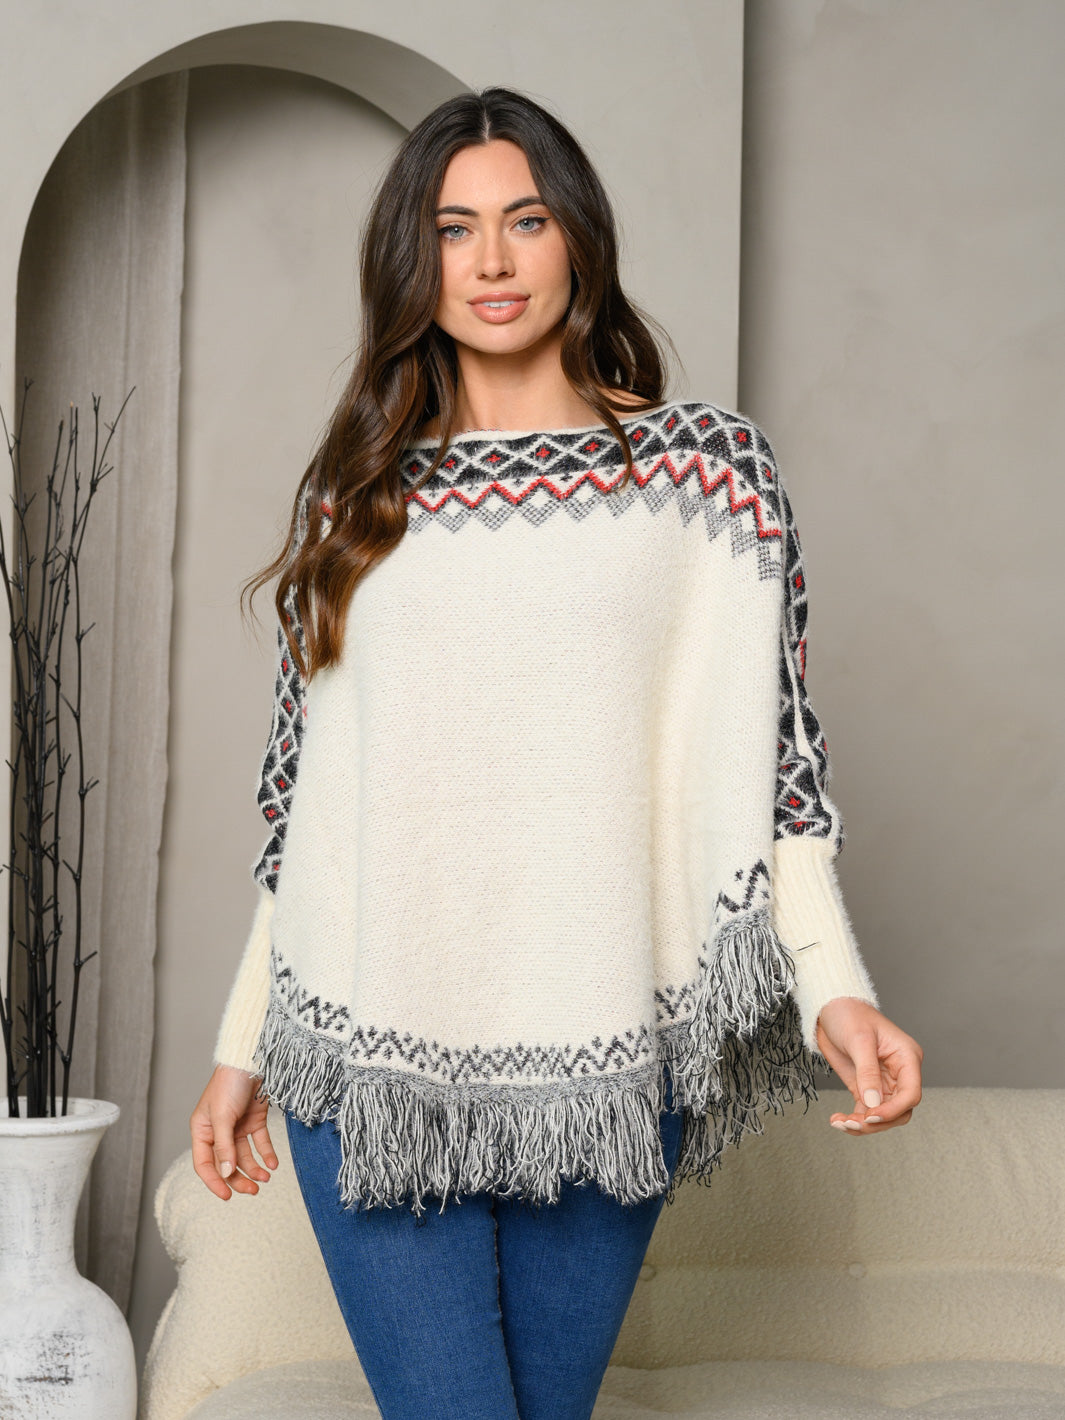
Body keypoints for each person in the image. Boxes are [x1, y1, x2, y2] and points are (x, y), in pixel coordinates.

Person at [190, 86, 923, 1420]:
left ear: (577, 238)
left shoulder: (707, 478)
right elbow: (312, 816)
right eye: (452, 228)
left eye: (525, 221)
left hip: (606, 1061)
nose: (491, 260)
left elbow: (774, 768)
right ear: (413, 259)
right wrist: (246, 1045)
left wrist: (834, 990)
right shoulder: (358, 497)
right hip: (372, 1068)